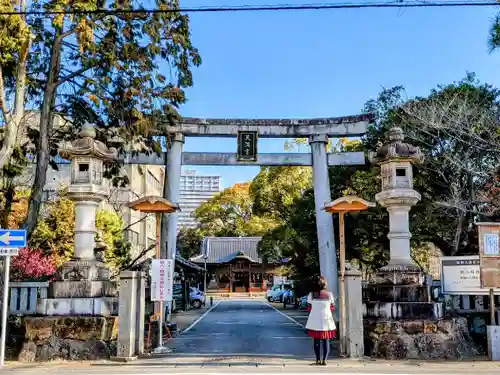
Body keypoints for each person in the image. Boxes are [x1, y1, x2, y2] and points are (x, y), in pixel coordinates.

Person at [305, 275, 336, 365]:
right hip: (327, 321)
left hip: (315, 321)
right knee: (326, 340)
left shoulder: (311, 295)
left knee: (316, 341)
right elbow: (332, 307)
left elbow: (309, 308)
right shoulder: (329, 295)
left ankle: (318, 359)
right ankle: (325, 360)